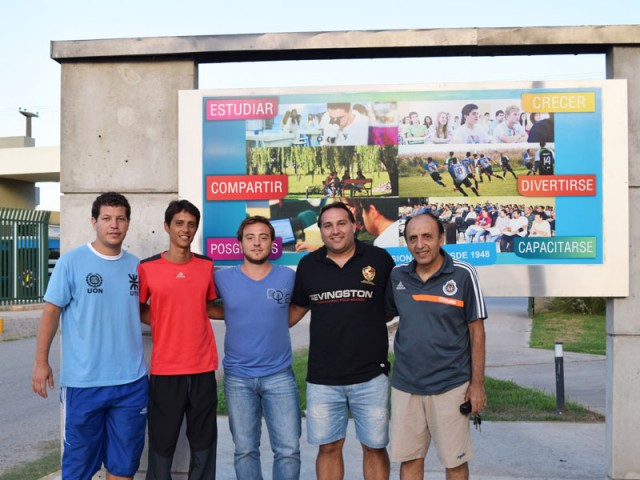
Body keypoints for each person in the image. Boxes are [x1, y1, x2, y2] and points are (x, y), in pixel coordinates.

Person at [32, 192, 148, 480]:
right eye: (107, 218)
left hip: (131, 383)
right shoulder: (71, 262)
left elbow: (144, 312)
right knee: (78, 469)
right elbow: (51, 312)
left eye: (120, 218)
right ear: (93, 222)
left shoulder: (138, 266)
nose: (114, 225)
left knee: (123, 467)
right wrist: (40, 362)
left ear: (128, 223)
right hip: (85, 384)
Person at [289, 202, 395, 480]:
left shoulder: (380, 259)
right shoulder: (308, 265)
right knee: (328, 447)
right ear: (321, 231)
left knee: (374, 447)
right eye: (327, 225)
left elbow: (392, 307)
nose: (335, 231)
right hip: (323, 379)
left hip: (371, 375)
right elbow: (295, 310)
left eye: (341, 223)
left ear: (354, 225)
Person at [385, 213, 487, 480]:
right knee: (409, 460)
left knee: (454, 463)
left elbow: (477, 332)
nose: (420, 245)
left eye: (427, 237)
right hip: (406, 385)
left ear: (441, 238)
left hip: (451, 385)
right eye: (413, 239)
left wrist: (477, 385)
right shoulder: (398, 276)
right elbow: (378, 316)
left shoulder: (464, 274)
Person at [212, 216, 301, 480]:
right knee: (245, 450)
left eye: (263, 237)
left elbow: (300, 305)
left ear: (272, 243)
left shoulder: (288, 276)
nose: (257, 243)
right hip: (238, 378)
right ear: (240, 243)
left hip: (280, 376)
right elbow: (205, 306)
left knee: (288, 450)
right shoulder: (223, 277)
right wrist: (231, 313)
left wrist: (277, 321)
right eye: (250, 237)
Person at [138, 200, 218, 479]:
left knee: (204, 445)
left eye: (191, 224)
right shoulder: (147, 268)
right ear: (167, 226)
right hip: (165, 370)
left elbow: (206, 306)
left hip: (202, 367)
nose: (186, 229)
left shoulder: (207, 265)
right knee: (161, 445)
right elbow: (137, 308)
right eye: (179, 223)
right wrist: (162, 318)